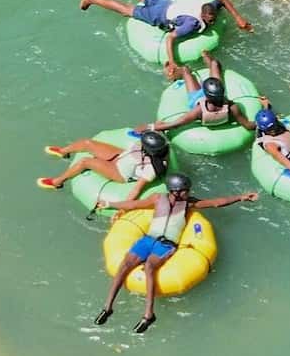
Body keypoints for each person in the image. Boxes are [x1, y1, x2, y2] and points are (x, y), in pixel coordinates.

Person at [91, 174, 258, 333]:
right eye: (186, 190)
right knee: (124, 265)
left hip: (166, 245)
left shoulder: (188, 204)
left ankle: (149, 314)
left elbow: (216, 202)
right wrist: (110, 204)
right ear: (175, 192)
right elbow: (134, 205)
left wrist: (241, 197)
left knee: (149, 266)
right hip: (148, 240)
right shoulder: (157, 199)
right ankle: (108, 307)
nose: (189, 193)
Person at [79, 0, 253, 72]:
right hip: (159, 14)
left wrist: (238, 18)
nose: (213, 22)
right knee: (126, 10)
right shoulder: (192, 25)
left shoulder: (208, 6)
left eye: (213, 18)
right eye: (210, 20)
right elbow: (170, 37)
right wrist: (172, 62)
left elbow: (223, 0)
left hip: (166, 3)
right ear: (203, 17)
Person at [136, 51, 255, 134]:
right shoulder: (232, 107)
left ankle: (172, 74)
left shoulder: (198, 111)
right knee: (215, 64)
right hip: (208, 99)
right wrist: (270, 119)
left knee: (185, 70)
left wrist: (150, 127)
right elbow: (248, 125)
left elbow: (175, 124)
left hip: (196, 99)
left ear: (206, 92)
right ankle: (206, 57)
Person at [38, 130, 170, 201]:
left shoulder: (151, 168)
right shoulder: (150, 147)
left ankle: (57, 182)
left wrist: (123, 208)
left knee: (85, 161)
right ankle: (62, 152)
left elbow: (137, 189)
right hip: (121, 156)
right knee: (87, 143)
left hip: (120, 172)